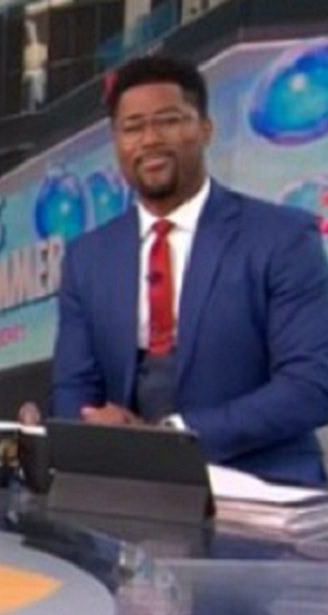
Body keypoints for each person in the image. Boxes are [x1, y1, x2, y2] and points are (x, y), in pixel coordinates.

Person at [51, 55, 328, 486]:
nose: (150, 140)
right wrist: (100, 438)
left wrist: (172, 440)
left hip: (262, 488)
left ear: (205, 129)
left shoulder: (283, 238)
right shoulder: (87, 258)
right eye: (132, 128)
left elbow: (312, 386)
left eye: (168, 121)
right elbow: (74, 392)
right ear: (117, 142)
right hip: (131, 489)